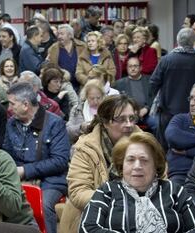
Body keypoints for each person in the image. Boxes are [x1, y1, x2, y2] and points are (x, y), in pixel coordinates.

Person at [80, 132, 195, 232]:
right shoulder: (107, 191)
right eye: (130, 160)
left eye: (144, 160)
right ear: (121, 165)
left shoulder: (174, 190)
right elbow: (88, 228)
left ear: (156, 166)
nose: (137, 166)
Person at [60, 94, 141, 233]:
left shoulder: (145, 144)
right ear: (105, 122)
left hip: (138, 215)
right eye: (121, 119)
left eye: (132, 118)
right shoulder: (86, 148)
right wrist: (119, 201)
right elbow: (78, 192)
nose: (128, 124)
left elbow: (161, 180)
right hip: (94, 216)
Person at [3, 82, 70, 233]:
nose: (9, 108)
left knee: (43, 205)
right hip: (17, 178)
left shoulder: (54, 123)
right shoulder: (11, 124)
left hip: (51, 180)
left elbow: (60, 161)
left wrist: (25, 171)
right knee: (2, 202)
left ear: (25, 105)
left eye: (12, 104)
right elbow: (6, 154)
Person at [150, 27, 195, 150]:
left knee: (164, 146)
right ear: (194, 41)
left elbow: (154, 83)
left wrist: (155, 100)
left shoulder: (166, 60)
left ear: (177, 41)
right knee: (188, 145)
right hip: (193, 112)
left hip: (167, 110)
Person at [112, 57, 155, 132]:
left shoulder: (149, 81)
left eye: (135, 66)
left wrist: (146, 109)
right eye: (130, 66)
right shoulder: (119, 84)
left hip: (147, 114)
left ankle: (155, 143)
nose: (133, 68)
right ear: (127, 68)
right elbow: (116, 102)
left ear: (140, 67)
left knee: (156, 123)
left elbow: (155, 97)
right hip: (127, 114)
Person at [46, 24, 86, 92]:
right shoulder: (53, 49)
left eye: (62, 34)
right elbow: (51, 68)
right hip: (62, 85)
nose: (59, 36)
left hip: (81, 84)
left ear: (70, 35)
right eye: (58, 34)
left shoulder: (82, 46)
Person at [66, 79, 105, 143]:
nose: (95, 101)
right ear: (86, 96)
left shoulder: (108, 109)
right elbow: (68, 131)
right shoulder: (77, 109)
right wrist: (81, 128)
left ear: (103, 96)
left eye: (98, 98)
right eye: (92, 98)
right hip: (81, 145)